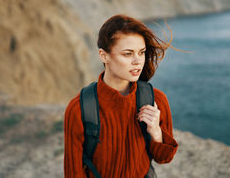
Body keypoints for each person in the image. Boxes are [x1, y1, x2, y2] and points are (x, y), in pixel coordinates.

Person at [64, 14, 178, 177]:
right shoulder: (79, 109)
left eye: (142, 52)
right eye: (127, 54)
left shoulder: (156, 100)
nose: (138, 61)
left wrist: (156, 133)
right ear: (104, 55)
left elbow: (164, 158)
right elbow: (73, 173)